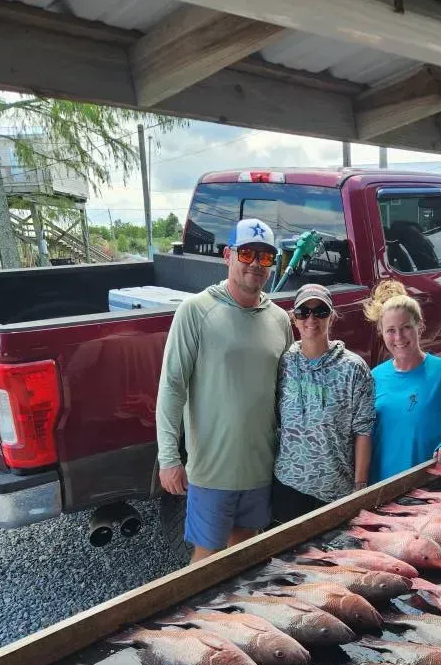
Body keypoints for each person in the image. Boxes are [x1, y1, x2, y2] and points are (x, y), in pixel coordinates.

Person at [156, 218, 292, 563]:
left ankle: (235, 619)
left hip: (259, 467)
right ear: (228, 255)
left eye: (265, 258)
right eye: (247, 254)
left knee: (246, 555)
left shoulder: (279, 319)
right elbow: (172, 386)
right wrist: (169, 458)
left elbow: (286, 392)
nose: (255, 265)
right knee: (206, 562)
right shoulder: (196, 311)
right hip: (212, 471)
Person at [272, 284, 375, 523]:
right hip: (287, 487)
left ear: (332, 317)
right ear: (294, 318)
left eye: (320, 311)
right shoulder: (283, 363)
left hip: (335, 492)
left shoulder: (354, 368)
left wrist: (360, 487)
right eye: (303, 312)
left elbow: (363, 431)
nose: (311, 319)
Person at [364, 279, 441, 483]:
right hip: (381, 487)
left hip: (426, 486)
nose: (399, 337)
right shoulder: (375, 377)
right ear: (381, 333)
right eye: (390, 330)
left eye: (406, 327)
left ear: (420, 327)